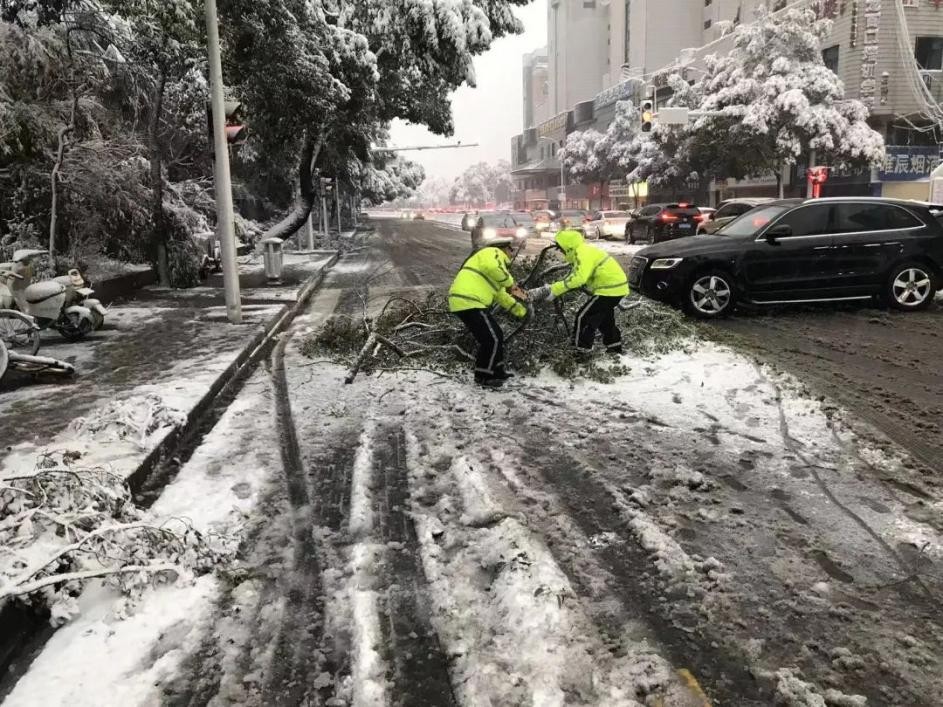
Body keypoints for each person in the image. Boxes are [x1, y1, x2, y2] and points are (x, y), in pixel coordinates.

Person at [527, 228, 629, 356]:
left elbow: (579, 278)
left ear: (568, 246)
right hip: (615, 288)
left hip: (609, 290)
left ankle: (580, 352)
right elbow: (572, 277)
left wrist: (554, 290)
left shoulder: (582, 253)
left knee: (583, 317)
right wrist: (554, 289)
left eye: (561, 248)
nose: (561, 252)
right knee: (605, 319)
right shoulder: (583, 251)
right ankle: (615, 349)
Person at [448, 237, 528, 388]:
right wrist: (512, 285)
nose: (512, 253)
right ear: (503, 247)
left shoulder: (495, 268)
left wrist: (520, 310)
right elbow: (493, 268)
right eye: (511, 249)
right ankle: (487, 377)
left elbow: (500, 295)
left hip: (467, 301)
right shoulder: (492, 252)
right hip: (469, 300)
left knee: (494, 336)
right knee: (493, 338)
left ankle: (494, 372)